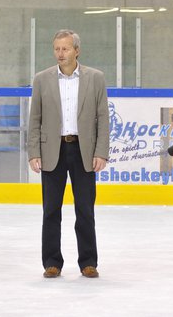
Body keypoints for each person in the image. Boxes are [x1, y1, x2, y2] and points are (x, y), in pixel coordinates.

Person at [27, 30, 109, 279]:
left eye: (65, 48)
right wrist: (33, 151)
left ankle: (88, 262)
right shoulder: (42, 79)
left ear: (77, 50)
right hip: (53, 150)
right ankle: (52, 262)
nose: (60, 53)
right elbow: (35, 118)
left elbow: (103, 118)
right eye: (57, 49)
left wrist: (101, 152)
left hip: (84, 150)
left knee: (85, 210)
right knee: (51, 210)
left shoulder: (95, 78)